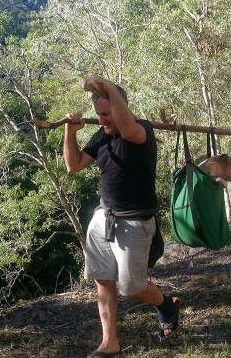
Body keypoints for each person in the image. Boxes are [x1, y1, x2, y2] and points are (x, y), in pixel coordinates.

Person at [63, 75, 180, 357]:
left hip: (135, 222)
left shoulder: (142, 131)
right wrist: (70, 131)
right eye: (99, 115)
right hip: (104, 217)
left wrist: (110, 88)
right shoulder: (101, 136)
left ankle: (165, 305)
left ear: (121, 107)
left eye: (108, 113)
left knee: (131, 287)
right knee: (103, 279)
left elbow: (128, 130)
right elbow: (73, 165)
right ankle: (109, 342)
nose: (103, 120)